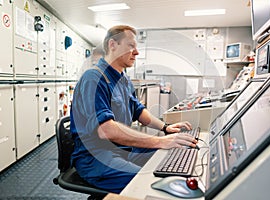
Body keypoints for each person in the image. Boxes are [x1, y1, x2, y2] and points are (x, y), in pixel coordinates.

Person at [70, 25, 198, 194]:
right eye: (131, 46)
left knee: (171, 155)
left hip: (123, 148)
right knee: (148, 183)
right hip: (96, 157)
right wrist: (160, 141)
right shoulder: (94, 78)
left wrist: (165, 128)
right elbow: (105, 131)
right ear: (112, 45)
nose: (136, 52)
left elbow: (138, 111)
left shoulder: (123, 80)